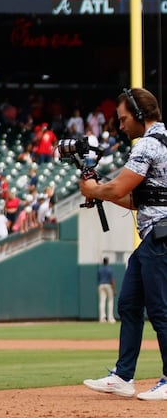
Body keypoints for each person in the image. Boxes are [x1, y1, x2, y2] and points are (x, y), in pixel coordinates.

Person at [82, 89, 167, 400]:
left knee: (160, 309)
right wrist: (99, 190)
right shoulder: (163, 139)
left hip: (160, 236)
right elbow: (138, 199)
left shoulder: (147, 143)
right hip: (154, 235)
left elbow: (118, 188)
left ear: (140, 116)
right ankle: (123, 376)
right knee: (129, 304)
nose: (121, 126)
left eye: (124, 119)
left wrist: (94, 188)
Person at [97, 256, 118, 324]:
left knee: (102, 301)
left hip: (101, 285)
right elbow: (112, 279)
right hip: (108, 285)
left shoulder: (100, 269)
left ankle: (102, 318)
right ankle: (110, 318)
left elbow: (98, 278)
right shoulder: (110, 269)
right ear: (108, 262)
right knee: (110, 301)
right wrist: (114, 289)